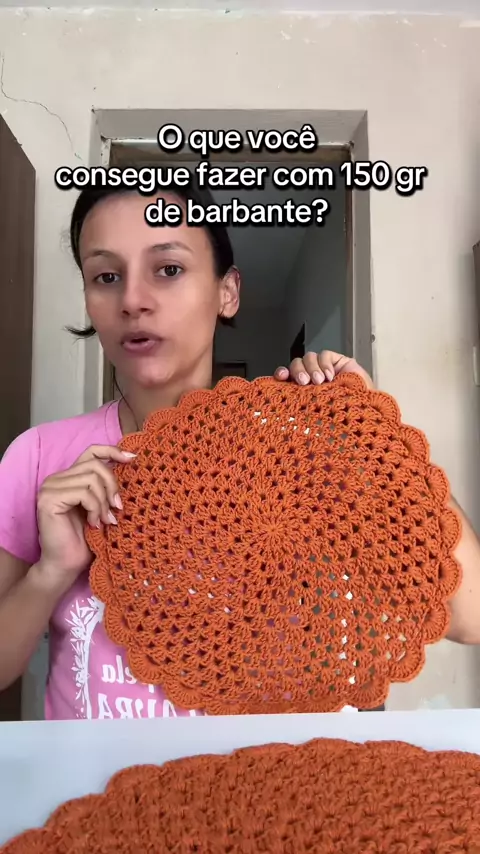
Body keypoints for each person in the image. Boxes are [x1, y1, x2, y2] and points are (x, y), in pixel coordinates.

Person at [0, 181, 479, 722]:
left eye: (168, 269)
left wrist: (377, 443)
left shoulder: (305, 450)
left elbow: (471, 615)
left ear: (227, 292)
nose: (133, 300)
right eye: (106, 276)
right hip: (98, 777)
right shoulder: (40, 457)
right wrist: (52, 570)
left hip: (281, 771)